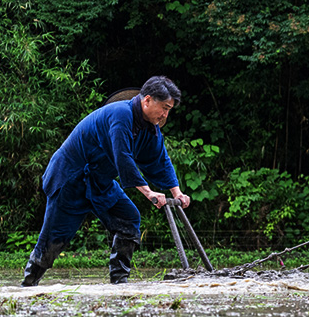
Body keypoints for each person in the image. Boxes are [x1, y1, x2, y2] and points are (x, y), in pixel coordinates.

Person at [21, 76, 192, 286]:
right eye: (164, 108)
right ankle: (27, 287)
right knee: (54, 238)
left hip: (99, 181)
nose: (166, 114)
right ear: (147, 100)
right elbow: (123, 157)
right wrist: (149, 193)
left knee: (128, 219)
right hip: (70, 177)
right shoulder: (121, 114)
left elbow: (160, 160)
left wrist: (177, 193)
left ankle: (119, 284)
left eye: (169, 110)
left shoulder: (151, 129)